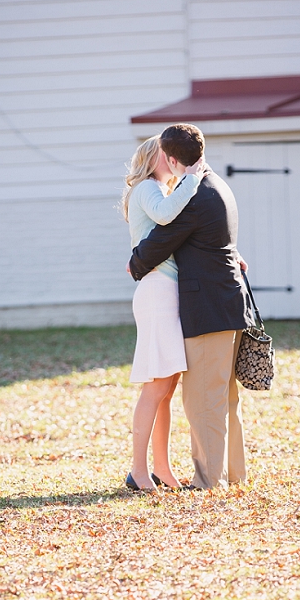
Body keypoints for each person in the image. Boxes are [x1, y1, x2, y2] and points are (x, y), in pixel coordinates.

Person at [128, 123, 255, 491]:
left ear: (171, 158)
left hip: (208, 308)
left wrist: (136, 263)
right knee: (222, 398)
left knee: (203, 399)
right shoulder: (218, 185)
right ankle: (232, 475)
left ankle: (208, 481)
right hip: (223, 303)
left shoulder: (196, 193)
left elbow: (162, 239)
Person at [121, 136, 206, 492]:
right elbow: (166, 215)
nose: (173, 159)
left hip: (166, 293)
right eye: (165, 154)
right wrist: (193, 177)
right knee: (155, 388)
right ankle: (138, 471)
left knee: (166, 388)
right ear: (152, 158)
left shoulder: (163, 191)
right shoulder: (147, 189)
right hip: (156, 294)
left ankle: (161, 469)